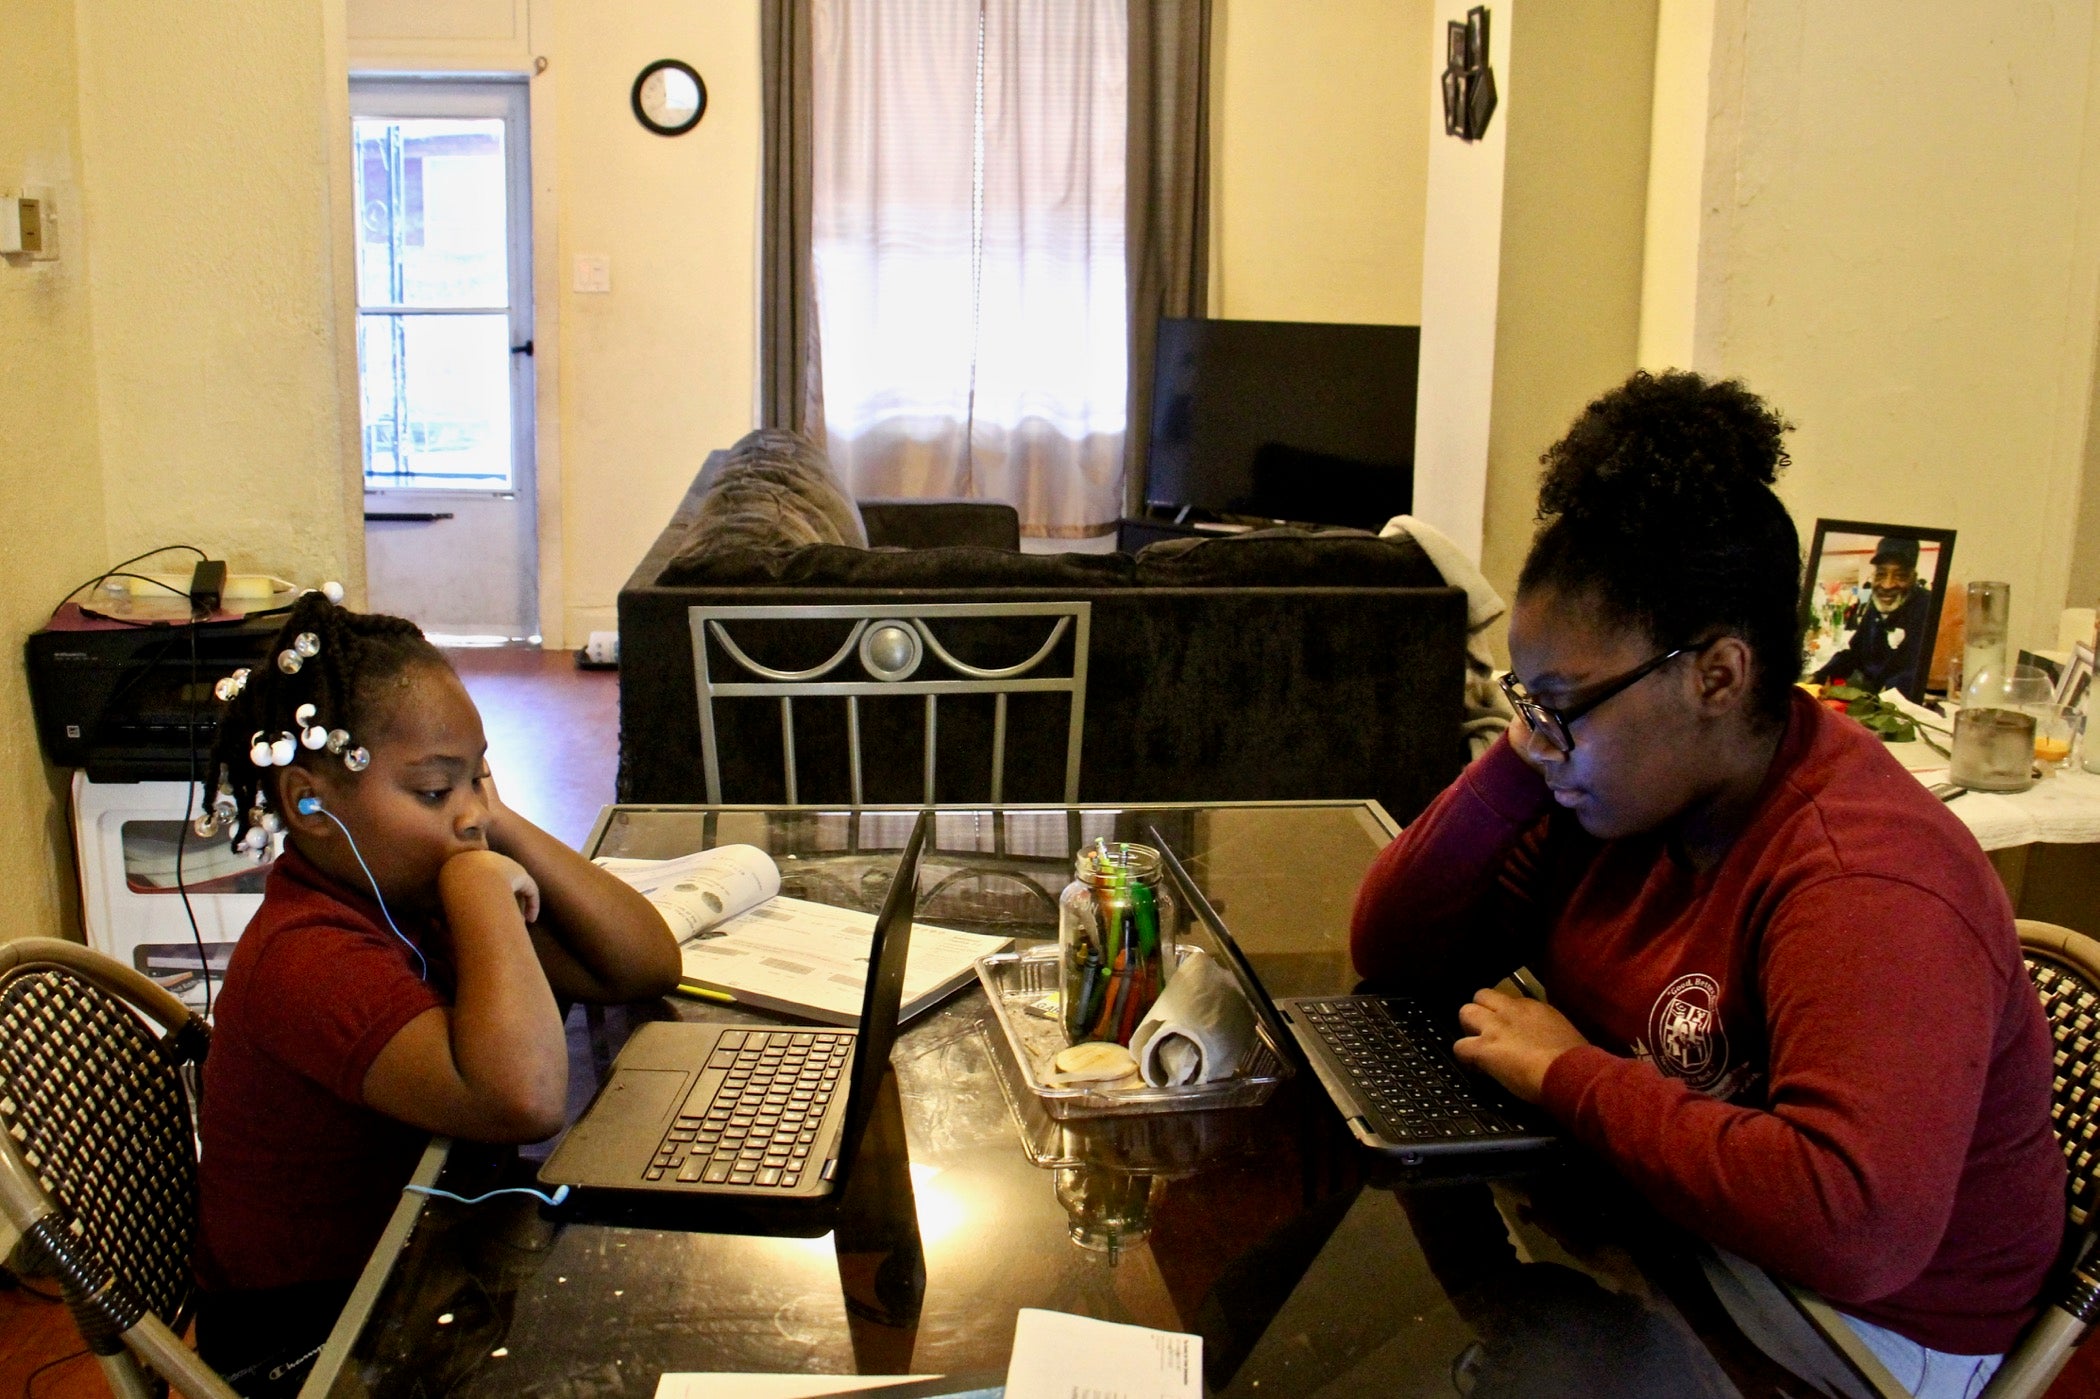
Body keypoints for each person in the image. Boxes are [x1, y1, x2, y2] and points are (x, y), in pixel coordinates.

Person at [1350, 371, 2063, 1399]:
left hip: (1861, 1332)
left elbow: (1853, 1223)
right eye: (1526, 698)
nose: (1542, 741)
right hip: (1689, 1231)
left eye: (1563, 703)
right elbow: (1396, 944)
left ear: (1716, 676)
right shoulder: (1621, 790)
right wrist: (1529, 749)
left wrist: (1571, 1077)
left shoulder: (1867, 880)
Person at [191, 594, 680, 1393]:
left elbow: (643, 962)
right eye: (431, 791)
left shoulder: (410, 891)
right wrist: (484, 884)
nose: (467, 816)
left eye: (477, 775)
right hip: (319, 1341)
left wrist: (495, 819)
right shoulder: (307, 955)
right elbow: (522, 1099)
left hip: (427, 1261)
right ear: (310, 803)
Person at [1813, 536, 1935, 699]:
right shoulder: (1875, 607)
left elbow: (1922, 670)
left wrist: (1885, 698)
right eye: (1881, 574)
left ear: (1913, 577)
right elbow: (1854, 654)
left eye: (1899, 576)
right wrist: (1820, 676)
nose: (1887, 585)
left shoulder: (1928, 607)